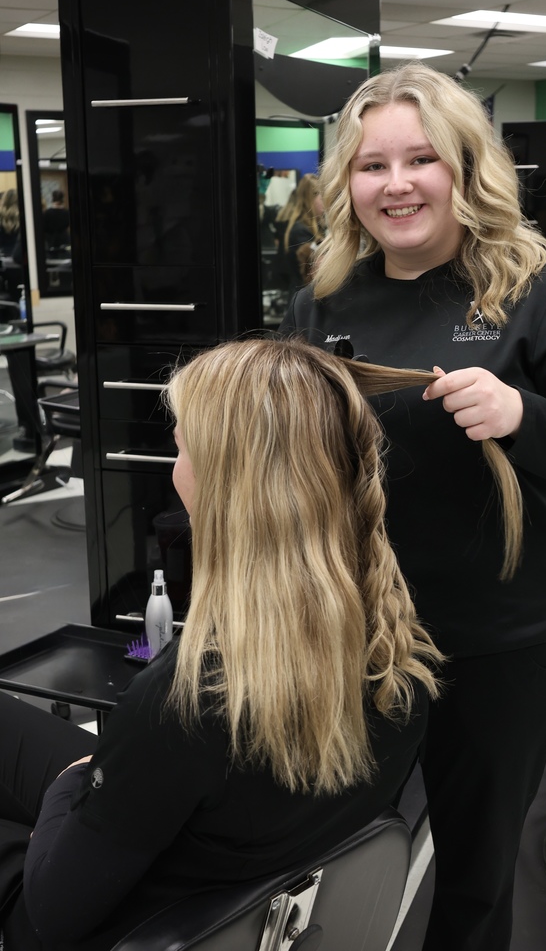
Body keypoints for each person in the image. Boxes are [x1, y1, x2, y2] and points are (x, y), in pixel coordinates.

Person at [280, 62, 546, 951]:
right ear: (348, 183)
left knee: (473, 881)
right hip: (356, 635)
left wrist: (523, 414)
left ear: (464, 167)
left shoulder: (543, 292)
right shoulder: (322, 299)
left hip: (494, 648)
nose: (397, 184)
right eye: (372, 166)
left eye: (421, 160)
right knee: (325, 860)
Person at [0, 336, 443, 951]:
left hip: (113, 920)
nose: (174, 469)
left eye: (180, 449)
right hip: (212, 846)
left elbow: (47, 920)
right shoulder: (395, 651)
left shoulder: (183, 706)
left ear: (229, 484)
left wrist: (76, 785)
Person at [275, 172, 326, 289]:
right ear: (311, 199)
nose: (325, 203)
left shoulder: (302, 228)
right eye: (321, 198)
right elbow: (311, 272)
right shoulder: (301, 232)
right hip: (304, 295)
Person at [42, 189, 70, 254]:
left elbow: (44, 228)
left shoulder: (47, 213)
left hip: (50, 241)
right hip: (64, 239)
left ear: (53, 198)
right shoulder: (67, 213)